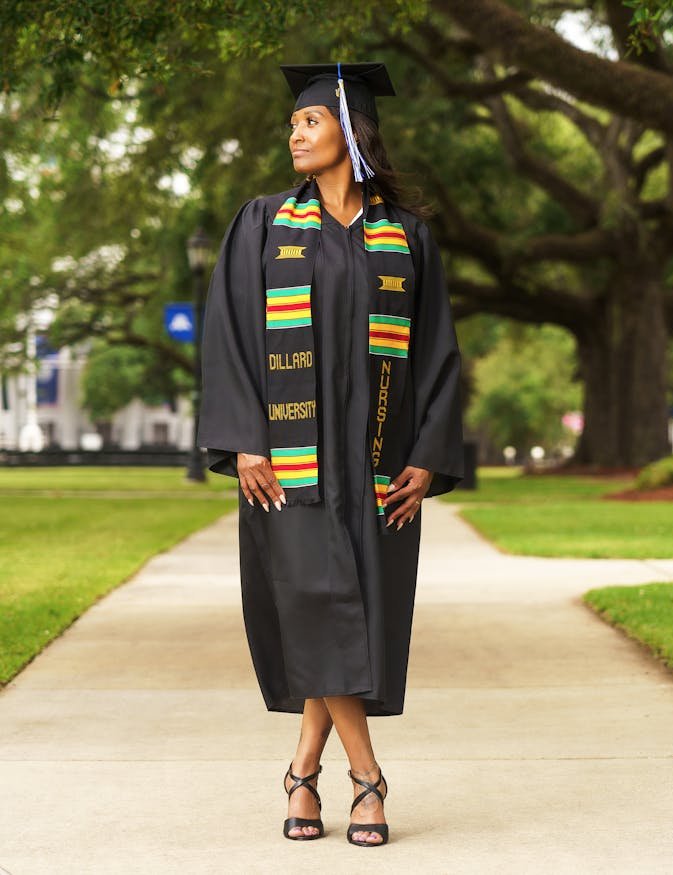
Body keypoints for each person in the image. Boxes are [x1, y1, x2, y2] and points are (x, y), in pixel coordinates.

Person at [197, 61, 464, 847]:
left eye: (308, 124)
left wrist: (427, 452)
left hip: (377, 464)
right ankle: (369, 779)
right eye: (293, 125)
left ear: (350, 130)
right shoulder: (262, 224)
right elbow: (228, 335)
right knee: (316, 605)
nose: (294, 135)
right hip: (290, 464)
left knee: (348, 616)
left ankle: (302, 770)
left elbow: (438, 350)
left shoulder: (407, 238)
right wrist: (245, 434)